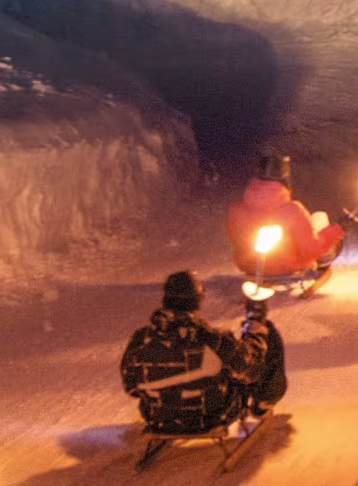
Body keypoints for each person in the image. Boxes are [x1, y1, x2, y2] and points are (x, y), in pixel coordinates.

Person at [121, 270, 272, 437]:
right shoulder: (211, 338)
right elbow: (252, 370)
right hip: (210, 418)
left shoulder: (141, 339)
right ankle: (264, 403)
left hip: (159, 419)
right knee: (248, 361)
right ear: (197, 301)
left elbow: (131, 387)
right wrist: (255, 333)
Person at [225, 154, 345, 281]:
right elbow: (311, 249)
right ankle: (321, 268)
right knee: (319, 218)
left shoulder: (236, 209)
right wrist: (338, 229)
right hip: (288, 267)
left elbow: (235, 239)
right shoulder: (293, 210)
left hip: (251, 267)